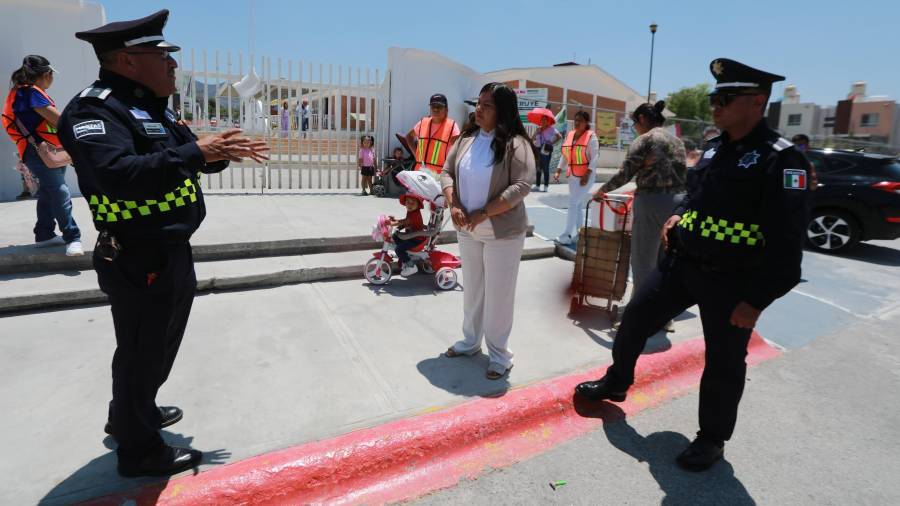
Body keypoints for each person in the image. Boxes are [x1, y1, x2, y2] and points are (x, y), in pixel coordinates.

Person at [57, 10, 268, 478]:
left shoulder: (152, 106)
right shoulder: (94, 111)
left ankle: (133, 413)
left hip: (169, 250)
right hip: (135, 253)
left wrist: (215, 153)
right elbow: (117, 177)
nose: (173, 65)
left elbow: (182, 157)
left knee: (154, 347)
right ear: (127, 61)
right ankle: (139, 451)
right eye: (163, 56)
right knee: (140, 350)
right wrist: (195, 153)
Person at [575, 58, 810, 472]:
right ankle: (617, 382)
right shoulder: (717, 147)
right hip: (682, 268)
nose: (715, 105)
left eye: (725, 98)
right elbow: (696, 193)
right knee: (635, 318)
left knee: (723, 363)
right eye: (713, 98)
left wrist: (755, 302)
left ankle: (712, 439)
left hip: (734, 283)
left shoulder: (782, 160)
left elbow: (788, 247)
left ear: (757, 102)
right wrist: (679, 213)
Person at [440, 82, 535, 380]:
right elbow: (446, 172)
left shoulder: (516, 144)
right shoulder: (466, 139)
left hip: (501, 232)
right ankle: (470, 342)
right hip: (467, 229)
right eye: (478, 103)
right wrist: (454, 204)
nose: (478, 109)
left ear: (503, 110)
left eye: (487, 105)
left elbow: (521, 186)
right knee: (473, 291)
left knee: (498, 296)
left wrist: (483, 212)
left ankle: (499, 355)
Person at [594, 100, 687, 332]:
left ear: (643, 119)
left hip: (651, 205)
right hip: (677, 206)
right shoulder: (677, 141)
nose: (635, 127)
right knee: (663, 264)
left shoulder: (645, 140)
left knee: (643, 263)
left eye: (635, 122)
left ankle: (639, 318)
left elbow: (626, 172)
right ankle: (664, 316)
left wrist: (602, 190)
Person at [3, 55, 83, 255]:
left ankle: (44, 234)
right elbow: (58, 121)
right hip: (42, 151)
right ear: (46, 74)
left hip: (46, 150)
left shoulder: (21, 93)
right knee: (59, 191)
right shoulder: (31, 93)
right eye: (51, 75)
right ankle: (72, 237)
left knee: (49, 191)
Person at [553, 111, 598, 244]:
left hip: (586, 177)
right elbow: (566, 153)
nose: (577, 123)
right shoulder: (570, 135)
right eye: (576, 120)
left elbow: (595, 158)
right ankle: (580, 234)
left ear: (586, 123)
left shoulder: (591, 137)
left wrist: (587, 174)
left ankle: (566, 235)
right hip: (572, 175)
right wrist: (558, 169)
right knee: (577, 205)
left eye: (581, 120)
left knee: (573, 203)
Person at [407, 93, 460, 176]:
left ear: (446, 109)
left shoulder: (452, 126)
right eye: (433, 106)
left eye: (439, 106)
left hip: (438, 176)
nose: (435, 109)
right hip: (419, 173)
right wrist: (415, 154)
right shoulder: (423, 122)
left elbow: (458, 149)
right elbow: (409, 136)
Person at [388, 193, 428, 276]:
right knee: (395, 236)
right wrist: (395, 221)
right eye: (407, 202)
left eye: (412, 203)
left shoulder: (414, 215)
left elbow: (404, 222)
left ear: (418, 205)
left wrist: (392, 223)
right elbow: (405, 222)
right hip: (411, 236)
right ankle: (404, 254)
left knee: (398, 249)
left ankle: (411, 266)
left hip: (416, 239)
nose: (409, 205)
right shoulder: (412, 211)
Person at [531, 114, 561, 192]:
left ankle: (546, 186)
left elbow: (559, 136)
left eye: (544, 120)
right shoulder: (538, 129)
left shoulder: (551, 129)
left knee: (545, 168)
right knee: (538, 168)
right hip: (538, 149)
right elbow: (532, 139)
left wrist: (551, 142)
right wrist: (536, 132)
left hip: (546, 150)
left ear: (548, 121)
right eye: (542, 120)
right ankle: (537, 186)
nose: (543, 121)